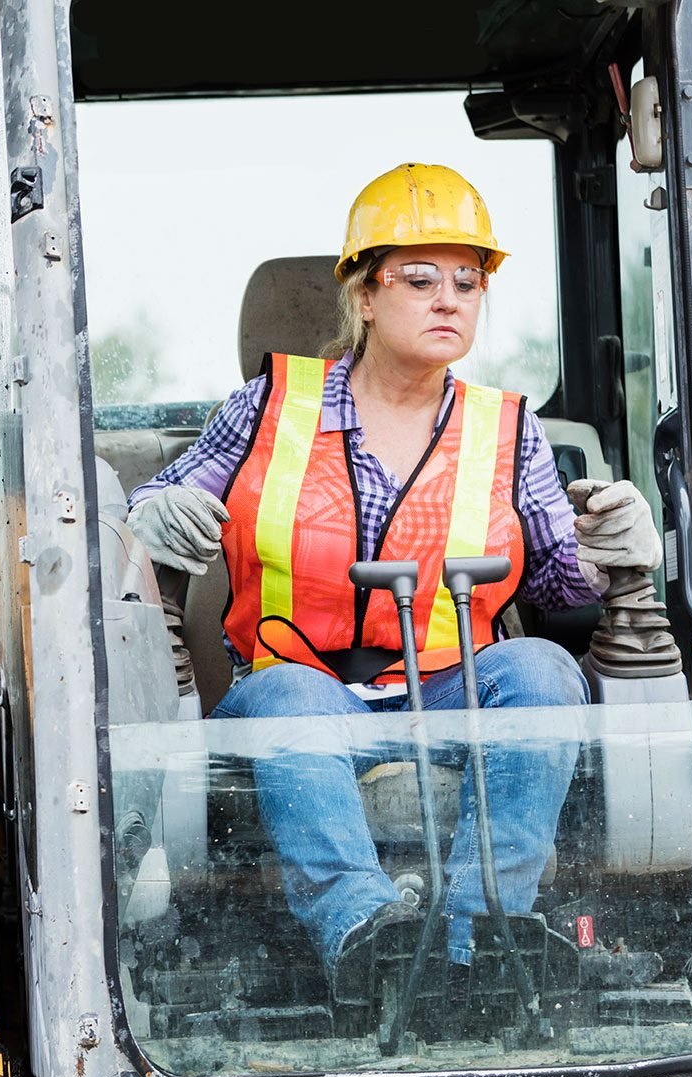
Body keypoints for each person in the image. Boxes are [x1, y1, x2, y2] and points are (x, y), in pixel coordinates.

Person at [125, 163, 662, 1000]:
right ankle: (366, 936)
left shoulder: (507, 429)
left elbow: (561, 592)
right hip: (304, 689)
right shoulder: (270, 406)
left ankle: (479, 938)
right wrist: (150, 515)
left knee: (544, 672)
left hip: (456, 691)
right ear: (364, 297)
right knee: (289, 705)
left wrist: (613, 547)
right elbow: (162, 501)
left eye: (468, 280)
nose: (449, 299)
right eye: (419, 279)